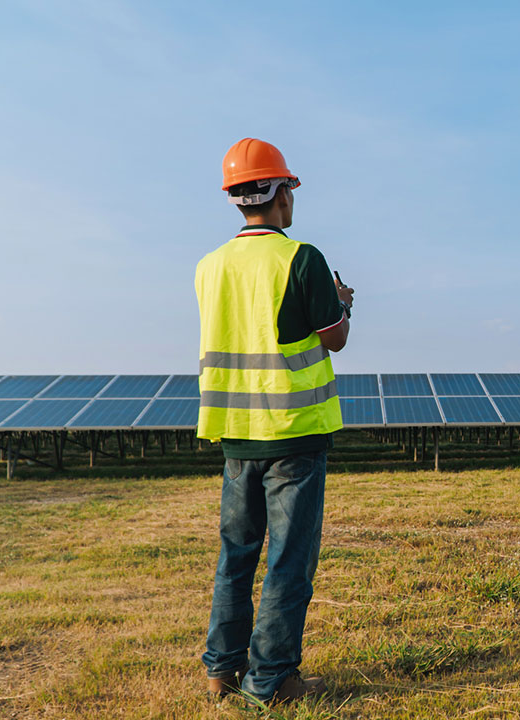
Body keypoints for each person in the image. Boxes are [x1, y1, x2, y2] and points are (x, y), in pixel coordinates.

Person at [196, 138, 354, 704]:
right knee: (288, 560)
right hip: (294, 434)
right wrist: (342, 302)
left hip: (235, 435)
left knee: (236, 557)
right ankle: (272, 680)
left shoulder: (209, 266)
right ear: (280, 193)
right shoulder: (300, 257)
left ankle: (222, 672)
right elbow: (332, 336)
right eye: (289, 186)